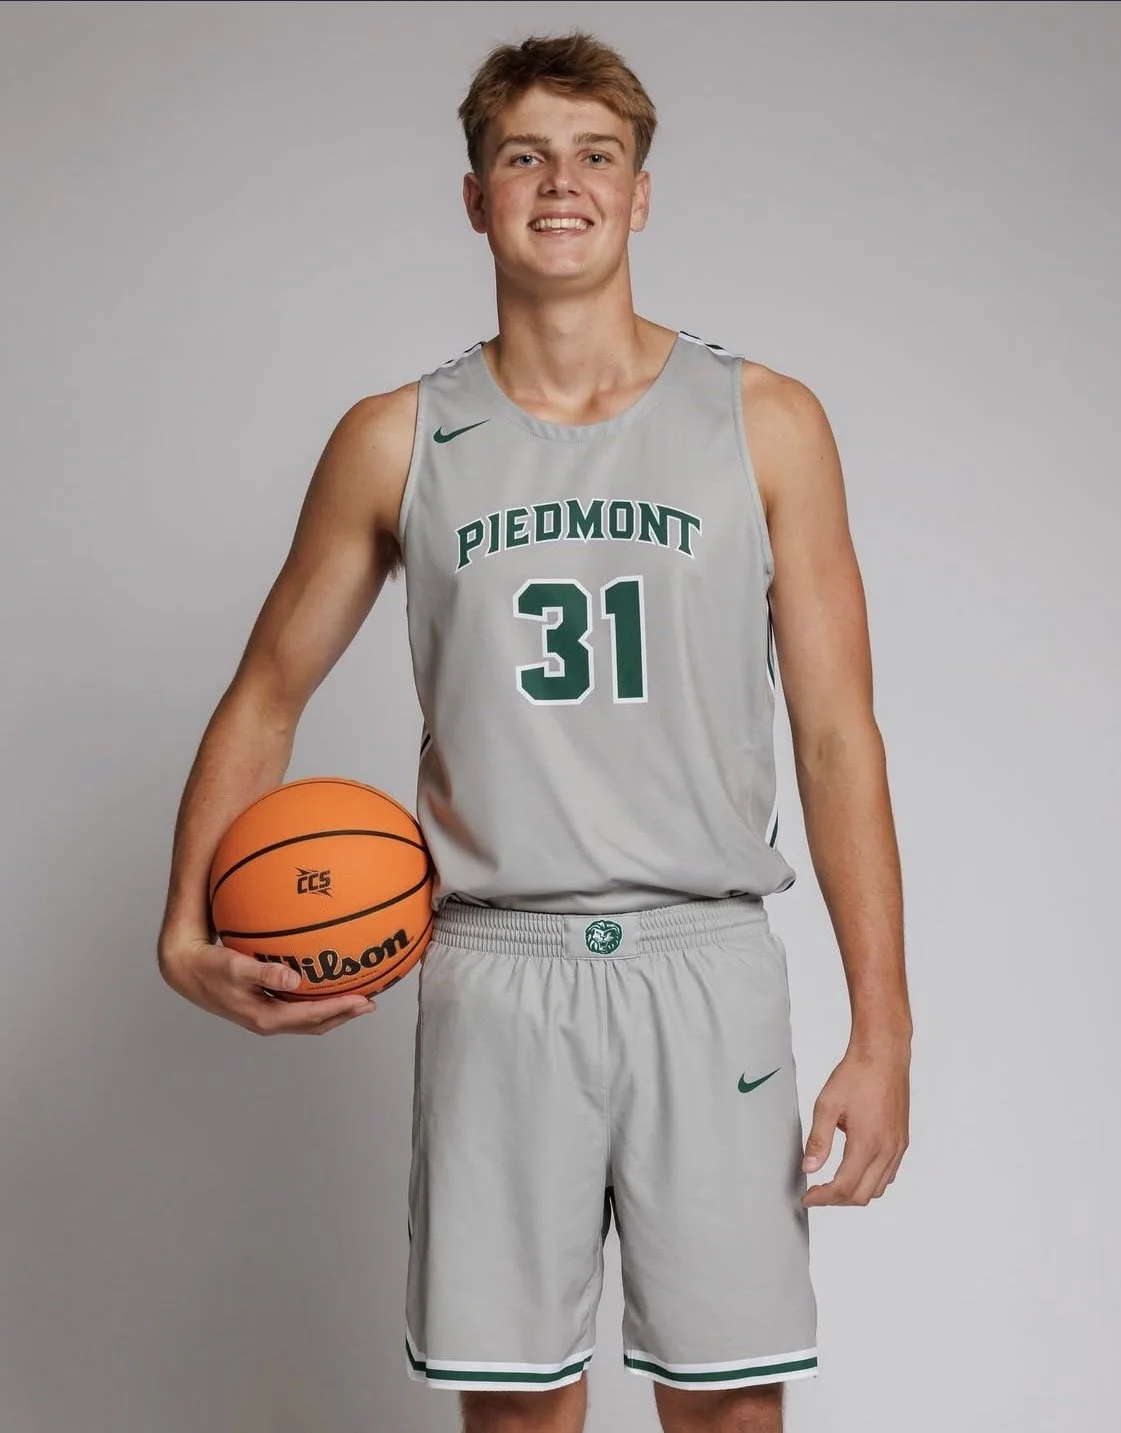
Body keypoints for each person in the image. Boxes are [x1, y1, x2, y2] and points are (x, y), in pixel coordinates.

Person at [157, 30, 911, 1433]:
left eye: (593, 157)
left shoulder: (764, 422)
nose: (558, 184)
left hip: (704, 963)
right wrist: (180, 923)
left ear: (638, 196)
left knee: (732, 1409)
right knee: (513, 1413)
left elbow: (834, 738)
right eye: (523, 156)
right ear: (474, 197)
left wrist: (884, 1027)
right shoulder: (398, 438)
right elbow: (266, 690)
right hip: (498, 970)